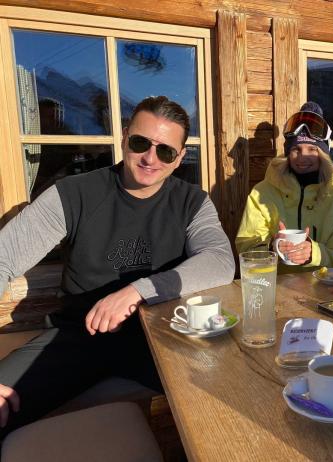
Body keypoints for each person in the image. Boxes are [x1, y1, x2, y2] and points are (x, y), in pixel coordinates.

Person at [0, 96, 235, 434]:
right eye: (141, 143)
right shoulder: (74, 194)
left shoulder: (192, 202)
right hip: (80, 336)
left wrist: (136, 292)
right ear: (125, 138)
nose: (151, 158)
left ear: (180, 157)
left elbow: (219, 260)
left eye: (166, 151)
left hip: (162, 338)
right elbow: (4, 256)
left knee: (227, 405)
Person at [236, 102, 333, 272]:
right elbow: (245, 246)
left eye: (312, 149)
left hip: (323, 288)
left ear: (324, 154)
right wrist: (272, 247)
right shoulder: (262, 193)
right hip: (275, 286)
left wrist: (313, 253)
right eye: (296, 149)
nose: (303, 157)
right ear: (287, 153)